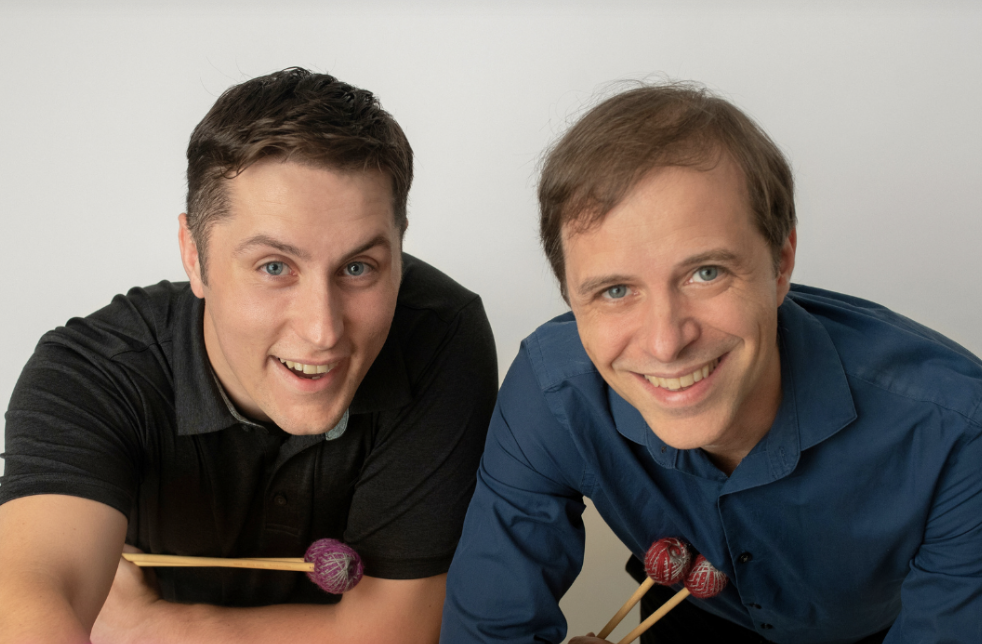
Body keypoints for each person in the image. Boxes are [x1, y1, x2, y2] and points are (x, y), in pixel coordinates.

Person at [441, 83, 982, 643]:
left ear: (780, 263)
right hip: (691, 616)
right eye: (615, 290)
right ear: (570, 298)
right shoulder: (553, 391)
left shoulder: (959, 430)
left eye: (706, 273)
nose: (665, 343)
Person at [0, 67, 497, 644]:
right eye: (274, 267)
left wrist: (147, 627)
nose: (322, 331)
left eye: (359, 267)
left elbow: (398, 633)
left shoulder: (438, 333)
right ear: (194, 256)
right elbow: (27, 601)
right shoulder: (93, 372)